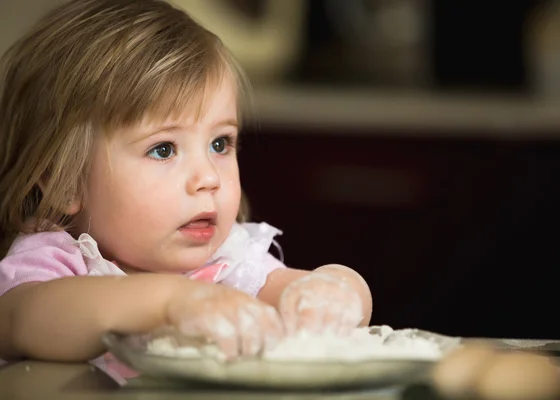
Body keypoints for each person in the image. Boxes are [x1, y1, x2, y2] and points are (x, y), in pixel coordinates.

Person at [0, 0, 372, 381]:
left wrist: (336, 288)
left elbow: (305, 289)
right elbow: (22, 322)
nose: (208, 177)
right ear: (64, 182)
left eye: (220, 144)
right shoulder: (56, 263)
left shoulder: (228, 265)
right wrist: (171, 302)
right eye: (163, 149)